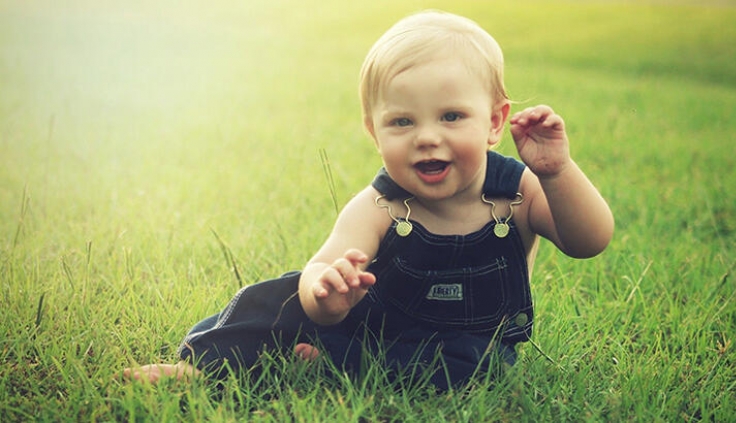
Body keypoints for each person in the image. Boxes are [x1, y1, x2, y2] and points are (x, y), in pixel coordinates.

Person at [122, 10, 613, 389]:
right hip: (370, 325)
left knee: (476, 366)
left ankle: (331, 365)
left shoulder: (520, 191)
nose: (427, 137)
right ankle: (205, 366)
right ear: (374, 133)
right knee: (280, 296)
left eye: (451, 116)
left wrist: (557, 173)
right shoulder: (379, 206)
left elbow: (588, 241)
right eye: (402, 121)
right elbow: (324, 264)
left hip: (464, 346)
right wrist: (325, 294)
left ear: (494, 122)